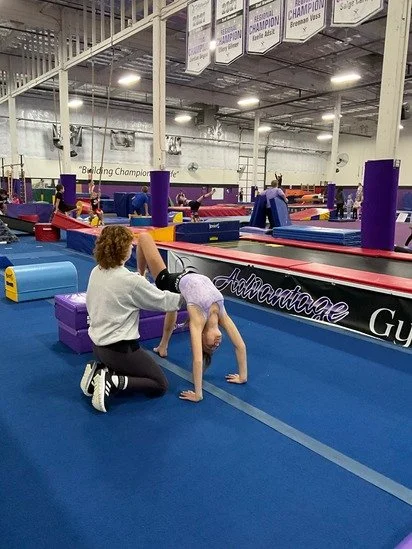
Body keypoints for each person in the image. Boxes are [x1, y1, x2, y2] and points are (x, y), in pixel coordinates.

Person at [81, 225, 183, 413]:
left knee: (134, 367)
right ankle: (112, 380)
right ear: (123, 249)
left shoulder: (97, 270)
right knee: (159, 384)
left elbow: (121, 289)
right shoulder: (130, 282)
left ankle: (100, 370)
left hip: (97, 345)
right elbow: (167, 302)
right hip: (119, 351)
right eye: (130, 245)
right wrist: (193, 295)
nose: (133, 248)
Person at [136, 232, 247, 403]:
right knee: (172, 306)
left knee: (144, 238)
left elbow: (197, 358)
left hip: (169, 282)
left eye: (210, 346)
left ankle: (140, 275)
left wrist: (198, 393)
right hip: (185, 281)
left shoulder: (198, 318)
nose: (216, 344)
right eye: (216, 346)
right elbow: (240, 345)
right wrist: (242, 376)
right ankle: (163, 346)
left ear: (202, 335)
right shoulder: (221, 312)